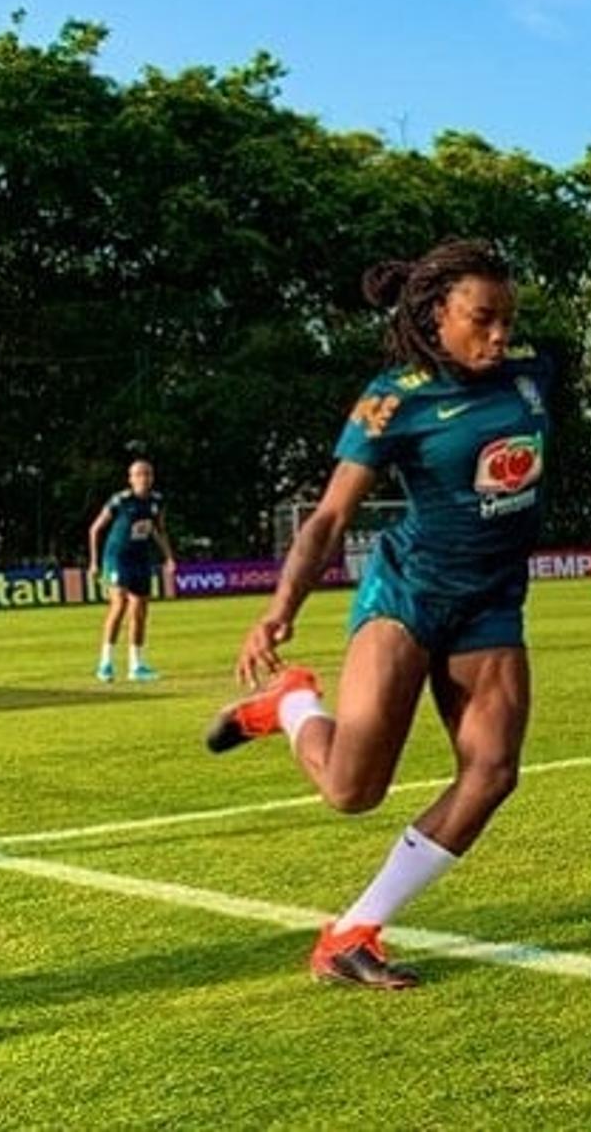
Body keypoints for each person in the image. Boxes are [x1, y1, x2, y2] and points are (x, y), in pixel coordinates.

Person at [206, 240, 552, 989]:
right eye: (481, 319)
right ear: (437, 314)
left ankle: (351, 931)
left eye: (507, 321)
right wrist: (278, 610)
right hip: (407, 596)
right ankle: (291, 701)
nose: (499, 336)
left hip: (492, 605)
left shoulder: (531, 377)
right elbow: (330, 516)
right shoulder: (394, 396)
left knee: (492, 772)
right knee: (351, 790)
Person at [87, 459, 175, 683]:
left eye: (147, 474)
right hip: (117, 558)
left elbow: (159, 530)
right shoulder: (121, 501)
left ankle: (136, 665)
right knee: (120, 604)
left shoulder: (157, 502)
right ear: (131, 478)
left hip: (140, 559)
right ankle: (105, 663)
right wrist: (95, 562)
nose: (144, 479)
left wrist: (169, 557)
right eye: (139, 475)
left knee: (140, 609)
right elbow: (95, 529)